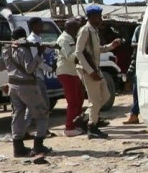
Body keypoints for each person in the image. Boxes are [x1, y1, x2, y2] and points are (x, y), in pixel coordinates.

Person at [0, 28, 52, 157]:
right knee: (42, 113)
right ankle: (38, 145)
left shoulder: (6, 49)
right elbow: (29, 68)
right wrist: (39, 54)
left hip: (13, 85)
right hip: (27, 86)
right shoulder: (23, 49)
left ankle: (18, 147)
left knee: (18, 114)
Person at [76, 5, 121, 139]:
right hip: (88, 70)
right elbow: (78, 52)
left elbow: (96, 50)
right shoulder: (85, 31)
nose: (100, 19)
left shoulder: (94, 31)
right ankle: (92, 127)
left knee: (106, 96)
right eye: (98, 16)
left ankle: (84, 118)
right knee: (95, 101)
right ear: (91, 17)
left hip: (96, 69)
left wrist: (111, 46)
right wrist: (90, 71)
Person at [24, 17, 54, 138]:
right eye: (40, 25)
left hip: (38, 76)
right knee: (42, 105)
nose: (42, 27)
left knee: (34, 106)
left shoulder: (37, 39)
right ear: (35, 26)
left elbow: (44, 51)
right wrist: (50, 69)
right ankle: (40, 131)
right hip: (36, 76)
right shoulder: (32, 41)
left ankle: (28, 130)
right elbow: (37, 60)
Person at [56, 19, 85, 136]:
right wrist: (81, 53)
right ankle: (69, 127)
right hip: (66, 72)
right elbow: (70, 57)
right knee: (72, 101)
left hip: (73, 72)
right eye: (76, 28)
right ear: (69, 28)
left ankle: (76, 124)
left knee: (78, 100)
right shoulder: (63, 39)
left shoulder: (71, 38)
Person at [123, 24, 141, 125]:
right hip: (138, 61)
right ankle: (134, 115)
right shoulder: (139, 29)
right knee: (136, 91)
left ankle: (134, 114)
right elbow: (132, 44)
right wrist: (143, 44)